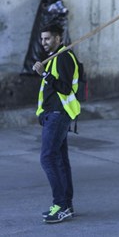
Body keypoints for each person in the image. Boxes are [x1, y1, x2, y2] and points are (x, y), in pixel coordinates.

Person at [32, 23, 81, 223]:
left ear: (58, 38)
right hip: (53, 114)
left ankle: (60, 205)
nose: (44, 42)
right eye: (42, 39)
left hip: (59, 114)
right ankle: (66, 205)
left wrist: (44, 74)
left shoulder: (63, 58)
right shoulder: (54, 58)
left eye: (48, 38)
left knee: (47, 158)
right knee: (59, 160)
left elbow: (65, 88)